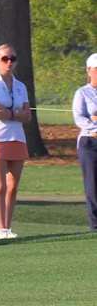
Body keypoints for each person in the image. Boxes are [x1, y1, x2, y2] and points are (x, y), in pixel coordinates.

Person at [0, 43, 31, 240]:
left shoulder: (21, 86)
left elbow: (27, 116)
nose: (9, 62)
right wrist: (14, 113)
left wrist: (7, 112)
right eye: (5, 58)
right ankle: (0, 229)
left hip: (17, 138)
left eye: (12, 59)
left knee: (13, 186)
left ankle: (8, 228)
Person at [72, 53, 97, 231]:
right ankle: (95, 225)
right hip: (90, 143)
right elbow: (79, 118)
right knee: (92, 185)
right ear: (89, 71)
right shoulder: (82, 93)